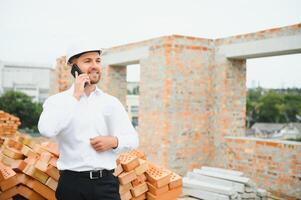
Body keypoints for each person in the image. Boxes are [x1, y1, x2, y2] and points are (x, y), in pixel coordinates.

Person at [38, 46, 139, 200]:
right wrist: (75, 96)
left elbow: (133, 139)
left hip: (105, 185)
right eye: (87, 61)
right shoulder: (57, 102)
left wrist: (114, 141)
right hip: (71, 186)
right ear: (73, 67)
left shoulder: (111, 103)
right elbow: (47, 130)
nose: (95, 65)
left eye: (97, 60)